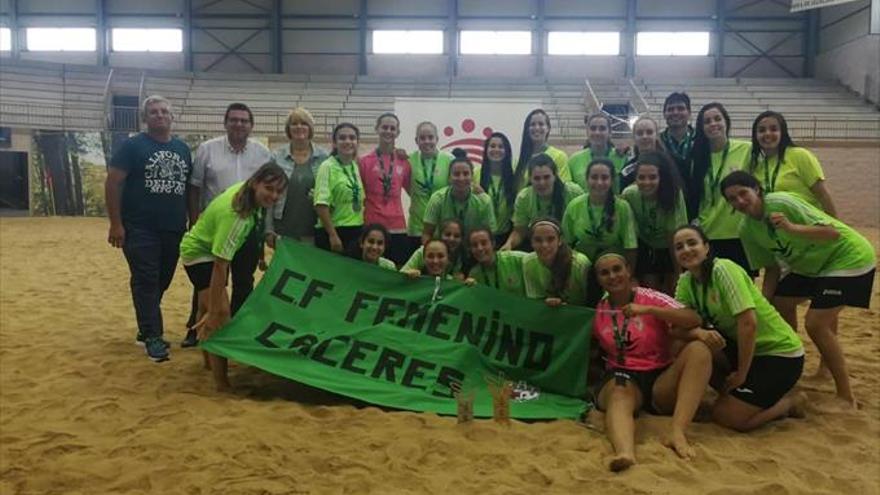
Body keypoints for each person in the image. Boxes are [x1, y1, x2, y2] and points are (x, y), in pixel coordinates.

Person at [722, 171, 875, 407]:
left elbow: (833, 232)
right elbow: (771, 269)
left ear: (757, 190)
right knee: (779, 305)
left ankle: (846, 395)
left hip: (848, 258)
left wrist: (792, 228)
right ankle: (792, 362)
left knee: (815, 323)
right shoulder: (746, 229)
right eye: (732, 198)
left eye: (743, 193)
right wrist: (763, 305)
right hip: (810, 266)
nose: (740, 201)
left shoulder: (782, 202)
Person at [672, 225, 806, 432]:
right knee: (689, 343)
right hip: (742, 348)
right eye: (679, 247)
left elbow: (748, 324)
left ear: (706, 247)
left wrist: (742, 373)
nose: (686, 250)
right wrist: (698, 332)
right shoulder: (686, 281)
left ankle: (788, 403)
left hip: (778, 353)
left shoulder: (723, 269)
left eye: (692, 243)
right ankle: (739, 395)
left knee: (727, 417)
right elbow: (675, 328)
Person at [591, 251, 710, 471]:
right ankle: (625, 453)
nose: (612, 276)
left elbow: (693, 318)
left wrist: (649, 310)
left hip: (659, 377)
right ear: (598, 279)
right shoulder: (596, 308)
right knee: (619, 392)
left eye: (617, 269)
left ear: (628, 270)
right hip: (621, 376)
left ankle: (677, 431)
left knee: (699, 350)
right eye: (604, 273)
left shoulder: (649, 297)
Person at [180, 162, 288, 390]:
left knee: (207, 303)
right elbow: (220, 266)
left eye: (278, 191)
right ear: (256, 182)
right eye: (269, 188)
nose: (274, 195)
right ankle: (222, 382)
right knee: (219, 314)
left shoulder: (248, 194)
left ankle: (208, 361)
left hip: (208, 246)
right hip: (200, 254)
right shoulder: (236, 217)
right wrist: (215, 311)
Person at [105, 95, 193, 362]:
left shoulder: (182, 149)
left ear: (172, 117)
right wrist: (116, 223)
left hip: (174, 228)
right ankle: (153, 336)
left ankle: (146, 327)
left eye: (164, 111)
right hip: (139, 227)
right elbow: (112, 184)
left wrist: (192, 220)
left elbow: (189, 188)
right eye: (153, 112)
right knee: (146, 279)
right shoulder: (133, 147)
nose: (159, 115)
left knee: (160, 280)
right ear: (145, 118)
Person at [182, 102, 272, 347]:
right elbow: (195, 187)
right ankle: (195, 329)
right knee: (211, 282)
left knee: (244, 281)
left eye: (244, 120)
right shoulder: (207, 149)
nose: (239, 124)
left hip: (247, 227)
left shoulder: (263, 153)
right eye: (234, 119)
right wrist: (193, 219)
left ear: (251, 126)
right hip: (216, 226)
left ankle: (235, 331)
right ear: (226, 123)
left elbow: (269, 192)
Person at [685, 102, 753, 274]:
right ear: (701, 128)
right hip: (708, 233)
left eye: (717, 119)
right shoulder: (697, 157)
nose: (713, 124)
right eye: (707, 121)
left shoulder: (747, 149)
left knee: (742, 288)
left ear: (726, 122)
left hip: (740, 233)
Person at [621, 151, 687, 295]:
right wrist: (630, 273)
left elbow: (674, 235)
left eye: (652, 177)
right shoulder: (629, 194)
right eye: (641, 177)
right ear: (635, 178)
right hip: (646, 247)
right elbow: (630, 236)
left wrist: (679, 272)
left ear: (661, 178)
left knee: (673, 290)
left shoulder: (673, 194)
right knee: (650, 291)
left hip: (670, 248)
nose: (647, 182)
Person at [747, 110, 836, 215]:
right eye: (762, 130)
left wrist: (834, 225)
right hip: (780, 228)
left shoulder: (800, 156)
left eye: (774, 129)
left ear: (782, 133)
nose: (767, 133)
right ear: (756, 136)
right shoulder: (757, 167)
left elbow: (823, 195)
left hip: (810, 225)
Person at [267, 107, 329, 245]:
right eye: (294, 123)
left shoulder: (324, 158)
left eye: (304, 123)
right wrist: (268, 228)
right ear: (288, 129)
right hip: (283, 228)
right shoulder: (276, 157)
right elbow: (268, 196)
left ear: (310, 128)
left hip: (314, 228)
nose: (299, 127)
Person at [358, 113, 412, 266]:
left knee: (397, 270)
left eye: (392, 128)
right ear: (377, 129)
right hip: (372, 225)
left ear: (398, 132)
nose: (388, 131)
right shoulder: (365, 162)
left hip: (398, 226)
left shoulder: (404, 162)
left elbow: (413, 192)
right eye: (385, 127)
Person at [562, 159, 638, 266]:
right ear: (587, 179)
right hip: (583, 266)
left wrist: (629, 274)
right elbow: (566, 243)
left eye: (604, 177)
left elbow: (630, 246)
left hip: (613, 269)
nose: (599, 182)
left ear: (612, 180)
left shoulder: (622, 207)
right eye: (594, 177)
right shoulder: (574, 205)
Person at [502, 153, 583, 251]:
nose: (542, 183)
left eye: (546, 177)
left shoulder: (573, 192)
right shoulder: (524, 197)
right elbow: (520, 230)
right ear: (530, 179)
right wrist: (509, 244)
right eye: (537, 178)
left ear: (555, 176)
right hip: (540, 246)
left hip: (570, 246)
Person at [422, 149, 496, 243]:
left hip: (473, 250)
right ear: (449, 177)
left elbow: (490, 236)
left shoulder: (484, 201)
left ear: (472, 176)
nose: (461, 178)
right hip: (444, 251)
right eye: (456, 174)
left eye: (466, 174)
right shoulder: (437, 199)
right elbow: (427, 234)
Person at [314, 123, 364, 253]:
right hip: (334, 232)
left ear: (357, 142)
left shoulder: (355, 166)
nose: (348, 141)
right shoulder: (327, 166)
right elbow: (321, 204)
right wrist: (333, 235)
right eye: (342, 138)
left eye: (352, 138)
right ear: (335, 143)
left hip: (356, 230)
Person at [407, 121, 454, 255]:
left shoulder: (449, 160)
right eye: (422, 138)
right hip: (417, 227)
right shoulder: (409, 160)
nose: (427, 141)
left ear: (437, 139)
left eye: (430, 137)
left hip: (442, 228)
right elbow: (406, 186)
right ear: (416, 140)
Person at [522, 218, 591, 306]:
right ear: (531, 242)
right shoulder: (528, 262)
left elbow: (591, 301)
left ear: (560, 240)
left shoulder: (580, 264)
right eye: (538, 240)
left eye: (550, 239)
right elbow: (534, 301)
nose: (544, 245)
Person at [476, 132, 518, 246]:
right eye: (492, 146)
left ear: (507, 151)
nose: (496, 149)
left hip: (506, 236)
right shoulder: (476, 174)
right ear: (486, 150)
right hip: (481, 236)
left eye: (501, 147)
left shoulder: (514, 176)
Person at [568, 113, 628, 192]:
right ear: (587, 132)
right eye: (593, 128)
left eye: (602, 128)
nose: (597, 132)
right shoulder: (574, 160)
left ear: (610, 132)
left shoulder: (622, 157)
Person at [514, 109, 572, 185]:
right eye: (532, 124)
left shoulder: (559, 156)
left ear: (548, 129)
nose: (537, 128)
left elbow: (564, 186)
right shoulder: (519, 160)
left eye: (541, 124)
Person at [465, 227, 526, 296]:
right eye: (474, 245)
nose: (480, 248)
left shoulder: (516, 259)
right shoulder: (474, 274)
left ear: (493, 243)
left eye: (484, 243)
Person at [619, 115, 665, 190]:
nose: (644, 136)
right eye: (640, 133)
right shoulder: (626, 171)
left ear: (656, 135)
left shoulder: (669, 164)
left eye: (649, 132)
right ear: (634, 137)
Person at [659, 92, 695, 182]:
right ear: (664, 114)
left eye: (680, 108)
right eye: (670, 109)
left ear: (689, 113)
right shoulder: (657, 142)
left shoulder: (701, 139)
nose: (675, 112)